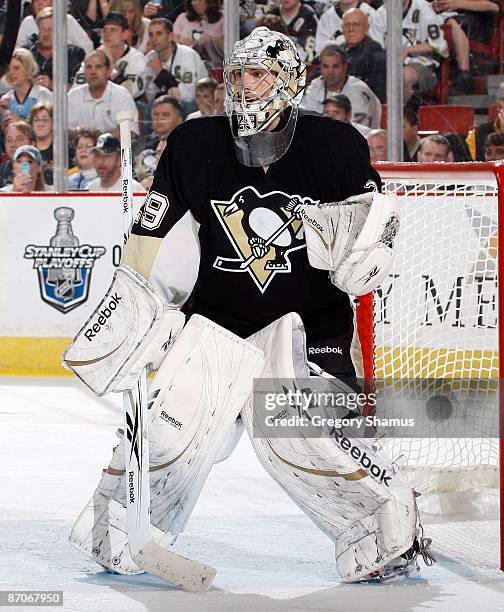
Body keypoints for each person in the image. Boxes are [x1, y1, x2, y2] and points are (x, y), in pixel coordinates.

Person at [68, 27, 434, 585]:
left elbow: (370, 236)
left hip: (312, 329)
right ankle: (117, 526)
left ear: (290, 80)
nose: (243, 85)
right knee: (169, 425)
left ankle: (387, 528)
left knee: (295, 433)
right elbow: (149, 229)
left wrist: (357, 245)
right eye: (236, 74)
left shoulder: (336, 146)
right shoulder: (195, 143)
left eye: (257, 74)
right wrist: (136, 304)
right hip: (217, 325)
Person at [373, 0, 448, 104]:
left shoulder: (423, 8)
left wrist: (408, 50)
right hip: (389, 66)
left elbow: (440, 45)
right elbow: (375, 49)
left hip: (422, 65)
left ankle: (400, 118)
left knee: (403, 76)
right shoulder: (380, 14)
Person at [301, 43, 381, 128]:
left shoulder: (359, 92)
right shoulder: (316, 86)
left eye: (335, 66)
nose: (330, 72)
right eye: (325, 66)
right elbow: (306, 121)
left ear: (345, 66)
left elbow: (358, 131)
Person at [74, 11, 147, 99]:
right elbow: (76, 90)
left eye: (113, 30)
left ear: (125, 34)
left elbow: (130, 92)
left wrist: (112, 64)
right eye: (105, 30)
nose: (107, 34)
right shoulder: (93, 58)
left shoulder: (136, 58)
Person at [68, 49, 139, 136]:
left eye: (98, 67)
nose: (93, 72)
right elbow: (67, 132)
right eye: (89, 67)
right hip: (81, 147)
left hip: (115, 147)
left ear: (108, 71)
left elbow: (129, 132)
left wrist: (98, 139)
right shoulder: (73, 96)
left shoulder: (121, 95)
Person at [144, 17, 208, 109]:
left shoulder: (187, 55)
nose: (154, 39)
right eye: (151, 35)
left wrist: (161, 74)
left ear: (170, 36)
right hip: (165, 106)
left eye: (159, 34)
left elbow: (188, 96)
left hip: (195, 106)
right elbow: (149, 95)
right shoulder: (150, 57)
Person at [25, 7, 86, 90]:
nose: (46, 34)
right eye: (42, 29)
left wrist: (53, 85)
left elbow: (81, 88)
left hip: (64, 101)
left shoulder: (75, 53)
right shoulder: (27, 53)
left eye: (51, 29)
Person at [340, 8, 386, 102]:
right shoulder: (340, 49)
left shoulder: (374, 51)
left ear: (366, 29)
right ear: (342, 29)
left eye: (356, 25)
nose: (351, 29)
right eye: (347, 25)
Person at [16, 0, 93, 54]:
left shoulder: (67, 20)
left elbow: (87, 46)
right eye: (36, 0)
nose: (39, 3)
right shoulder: (28, 22)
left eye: (44, 0)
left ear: (53, 2)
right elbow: (18, 50)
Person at [0, 48, 53, 123]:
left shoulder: (42, 94)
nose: (11, 73)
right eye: (8, 69)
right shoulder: (6, 99)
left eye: (16, 68)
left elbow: (46, 127)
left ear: (28, 69)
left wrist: (20, 121)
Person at [173, 0, 224, 69]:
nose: (195, 3)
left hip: (216, 68)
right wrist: (195, 41)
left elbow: (229, 48)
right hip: (186, 65)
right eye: (193, 0)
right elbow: (172, 41)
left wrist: (211, 39)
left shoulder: (224, 17)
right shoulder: (182, 18)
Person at [0, 120, 34, 188]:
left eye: (19, 139)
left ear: (32, 144)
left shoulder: (46, 172)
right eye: (9, 140)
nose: (13, 144)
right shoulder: (1, 171)